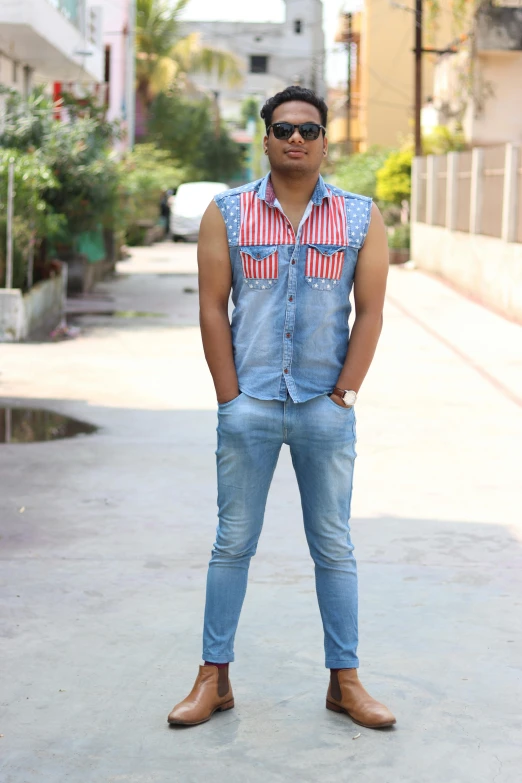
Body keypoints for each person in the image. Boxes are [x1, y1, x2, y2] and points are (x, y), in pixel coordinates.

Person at [167, 86, 396, 730]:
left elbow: (372, 311)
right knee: (232, 544)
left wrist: (344, 397)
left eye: (309, 130)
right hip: (252, 407)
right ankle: (213, 679)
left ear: (326, 142)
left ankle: (345, 682)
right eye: (284, 128)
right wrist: (229, 398)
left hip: (326, 407)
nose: (297, 138)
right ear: (264, 137)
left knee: (334, 547)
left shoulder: (358, 217)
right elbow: (213, 305)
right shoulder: (229, 212)